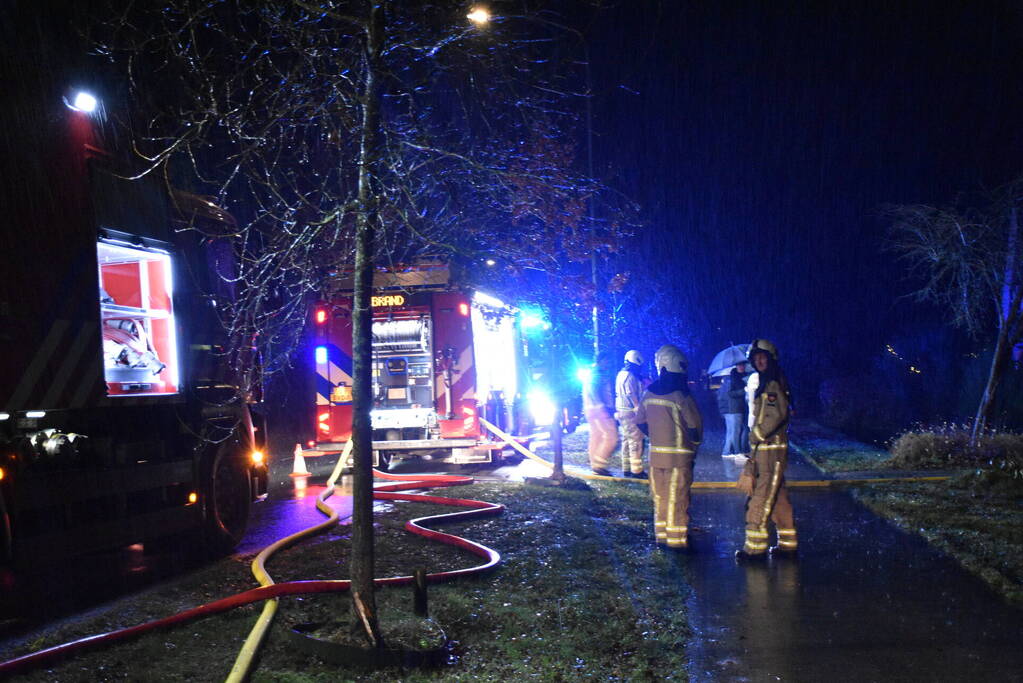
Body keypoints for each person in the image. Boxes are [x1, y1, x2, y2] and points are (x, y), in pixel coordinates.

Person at [634, 344, 702, 549]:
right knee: (677, 500)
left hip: (656, 458)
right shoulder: (682, 395)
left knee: (660, 498)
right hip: (679, 460)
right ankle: (677, 542)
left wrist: (656, 436)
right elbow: (695, 428)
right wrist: (693, 447)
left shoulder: (648, 394)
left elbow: (639, 421)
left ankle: (661, 537)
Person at [736, 339, 797, 561]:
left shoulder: (771, 384)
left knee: (760, 498)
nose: (759, 361)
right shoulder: (771, 380)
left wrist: (756, 435)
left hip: (769, 450)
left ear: (771, 359)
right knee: (778, 497)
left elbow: (775, 415)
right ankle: (788, 545)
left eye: (763, 357)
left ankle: (755, 550)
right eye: (756, 358)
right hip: (771, 450)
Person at [583, 351, 619, 476]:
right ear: (601, 360)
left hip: (592, 410)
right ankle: (599, 464)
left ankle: (595, 464)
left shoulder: (593, 373)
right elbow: (593, 390)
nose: (609, 363)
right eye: (607, 360)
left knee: (596, 437)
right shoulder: (597, 373)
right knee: (612, 437)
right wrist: (602, 407)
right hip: (599, 411)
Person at [615, 349, 647, 479]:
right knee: (636, 440)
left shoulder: (620, 374)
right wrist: (637, 407)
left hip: (621, 411)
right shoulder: (630, 376)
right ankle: (636, 471)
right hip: (630, 412)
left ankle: (626, 469)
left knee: (626, 440)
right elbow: (631, 393)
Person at [717, 360, 749, 459]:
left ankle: (727, 452)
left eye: (743, 365)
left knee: (732, 431)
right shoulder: (733, 378)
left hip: (735, 408)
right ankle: (737, 452)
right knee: (735, 431)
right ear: (736, 366)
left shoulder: (736, 377)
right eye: (740, 365)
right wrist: (744, 390)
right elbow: (730, 393)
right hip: (734, 408)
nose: (742, 367)